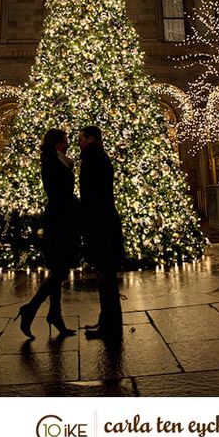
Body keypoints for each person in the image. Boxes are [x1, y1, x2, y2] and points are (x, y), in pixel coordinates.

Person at [15, 128, 80, 340]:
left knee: (58, 268)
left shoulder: (60, 160)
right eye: (64, 142)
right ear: (55, 143)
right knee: (60, 269)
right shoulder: (52, 162)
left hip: (63, 216)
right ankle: (31, 308)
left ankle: (55, 315)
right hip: (60, 218)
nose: (67, 144)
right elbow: (59, 192)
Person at [79, 125, 125, 342]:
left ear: (90, 138)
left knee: (106, 277)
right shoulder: (98, 156)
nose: (79, 141)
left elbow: (91, 194)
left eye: (81, 138)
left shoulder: (92, 158)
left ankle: (110, 326)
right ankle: (106, 320)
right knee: (105, 276)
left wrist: (85, 220)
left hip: (100, 225)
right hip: (104, 222)